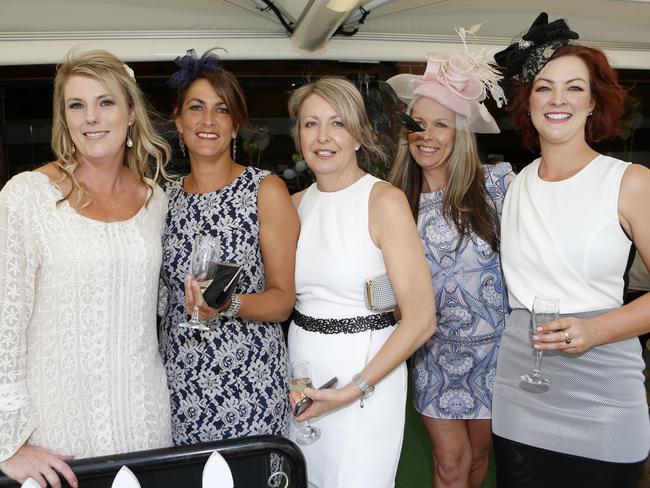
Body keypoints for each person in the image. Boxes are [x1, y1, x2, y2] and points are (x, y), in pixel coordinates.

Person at [0, 50, 173, 487]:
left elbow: (151, 305)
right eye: (77, 105)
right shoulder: (26, 197)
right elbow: (4, 324)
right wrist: (8, 444)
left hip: (145, 423)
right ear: (64, 117)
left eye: (106, 102)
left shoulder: (156, 201)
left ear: (131, 113)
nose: (91, 118)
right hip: (57, 437)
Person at [491, 12, 650, 487]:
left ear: (593, 103)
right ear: (528, 101)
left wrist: (595, 330)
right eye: (544, 87)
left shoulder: (629, 183)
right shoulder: (516, 186)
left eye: (574, 88)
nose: (558, 99)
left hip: (604, 393)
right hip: (520, 387)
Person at [286, 77, 437, 488]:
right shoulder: (294, 205)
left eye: (337, 123)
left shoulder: (384, 200)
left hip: (368, 374)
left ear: (358, 135)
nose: (322, 137)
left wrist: (356, 387)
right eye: (310, 123)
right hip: (302, 370)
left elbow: (421, 319)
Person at [387, 28, 513, 488]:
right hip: (433, 355)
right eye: (418, 123)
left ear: (460, 132)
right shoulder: (393, 198)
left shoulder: (497, 187)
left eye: (441, 124)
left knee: (479, 462)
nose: (426, 135)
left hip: (495, 355)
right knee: (449, 465)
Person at [158, 49, 299, 445]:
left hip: (249, 381)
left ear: (235, 126)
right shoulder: (161, 200)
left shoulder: (264, 189)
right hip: (179, 383)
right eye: (196, 108)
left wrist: (227, 304)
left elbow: (282, 300)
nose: (207, 120)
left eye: (221, 110)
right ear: (179, 121)